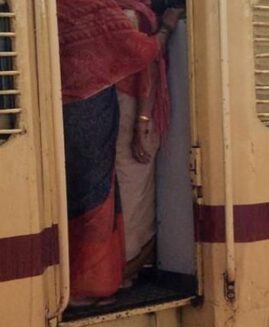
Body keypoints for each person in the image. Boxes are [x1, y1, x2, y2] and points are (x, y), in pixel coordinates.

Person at [57, 0, 182, 307]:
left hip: (63, 109)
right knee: (97, 198)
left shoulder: (60, 7)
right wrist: (166, 27)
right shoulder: (108, 11)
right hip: (93, 108)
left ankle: (82, 279)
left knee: (76, 197)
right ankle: (91, 285)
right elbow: (141, 53)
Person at [114, 0, 173, 288]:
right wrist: (144, 119)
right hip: (133, 110)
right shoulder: (131, 15)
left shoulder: (113, 12)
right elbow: (145, 64)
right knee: (134, 189)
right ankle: (125, 267)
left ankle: (124, 267)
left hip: (119, 109)